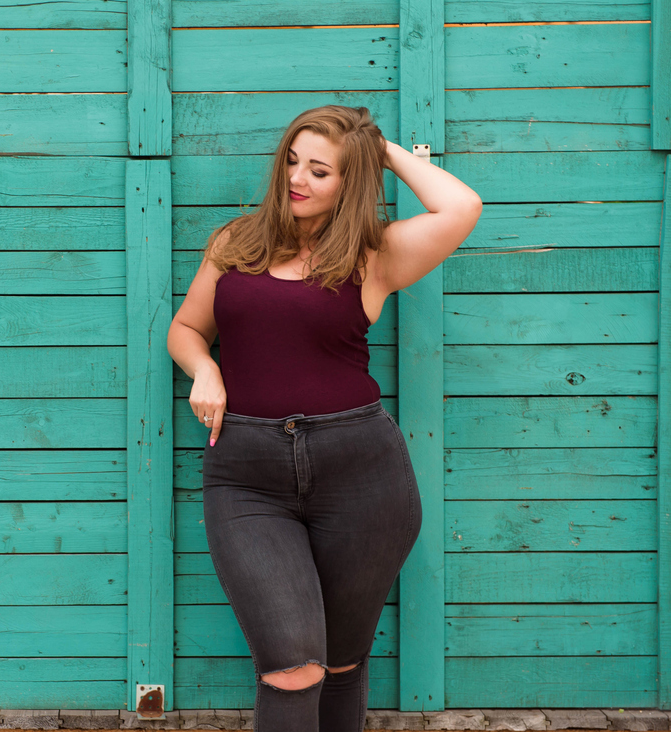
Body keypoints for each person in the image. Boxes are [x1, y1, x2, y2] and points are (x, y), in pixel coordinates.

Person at [166, 105, 482, 732]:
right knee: (291, 667)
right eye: (291, 161)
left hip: (362, 473)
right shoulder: (236, 242)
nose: (297, 179)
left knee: (340, 664)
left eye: (320, 169)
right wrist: (205, 368)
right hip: (247, 474)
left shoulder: (376, 255)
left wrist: (377, 147)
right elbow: (185, 328)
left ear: (352, 182)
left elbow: (461, 207)